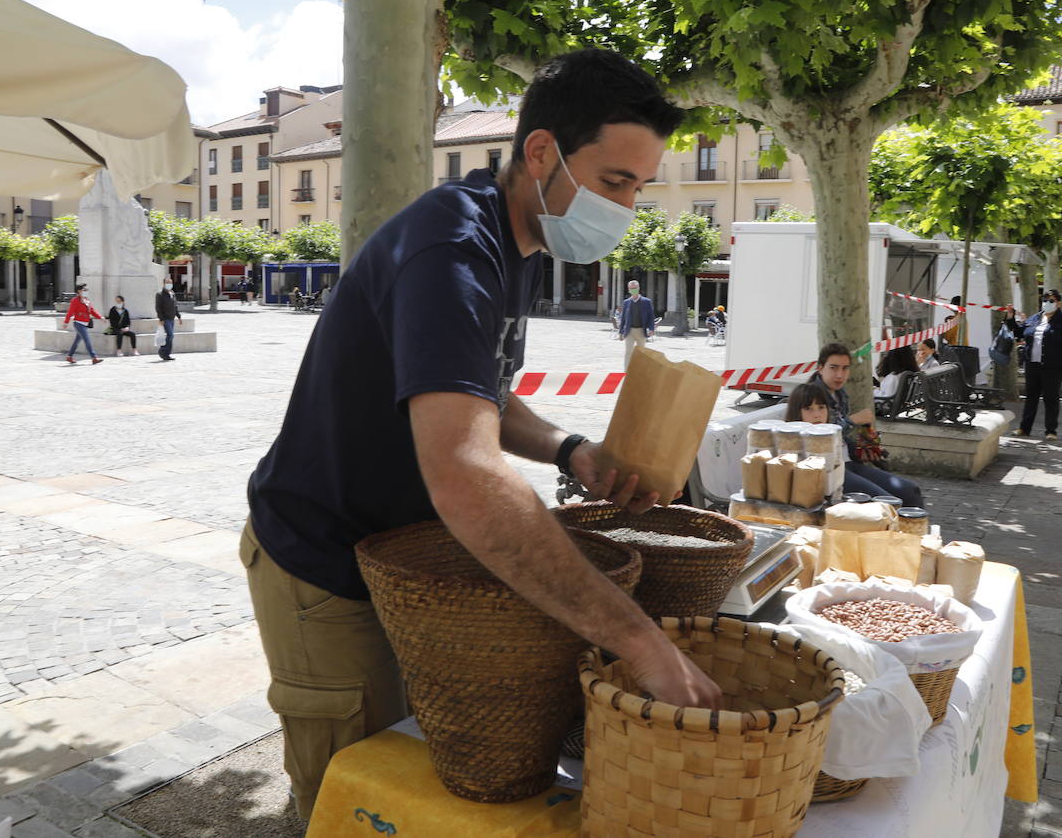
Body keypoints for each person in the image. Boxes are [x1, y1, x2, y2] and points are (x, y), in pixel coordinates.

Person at [243, 48, 720, 817]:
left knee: (413, 786)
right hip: (323, 569)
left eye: (638, 187)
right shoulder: (453, 250)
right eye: (613, 182)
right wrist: (637, 640)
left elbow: (484, 396)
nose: (627, 209)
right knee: (354, 805)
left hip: (404, 568)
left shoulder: (515, 239)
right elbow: (465, 470)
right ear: (541, 153)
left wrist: (572, 450)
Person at [808, 342, 925, 507]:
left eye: (845, 368)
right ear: (820, 368)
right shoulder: (811, 395)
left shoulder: (840, 394)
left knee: (911, 491)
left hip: (849, 462)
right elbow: (817, 437)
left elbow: (841, 440)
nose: (840, 375)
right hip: (830, 470)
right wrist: (853, 420)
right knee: (889, 504)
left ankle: (917, 531)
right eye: (834, 368)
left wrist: (860, 450)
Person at [1005, 289, 1062, 441]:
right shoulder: (1035, 319)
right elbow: (1019, 333)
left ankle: (1051, 431)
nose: (1047, 303)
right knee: (1031, 397)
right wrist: (1010, 318)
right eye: (1045, 300)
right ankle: (1024, 428)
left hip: (1054, 366)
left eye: (1051, 301)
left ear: (1058, 303)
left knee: (1050, 398)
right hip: (1032, 364)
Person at [618, 279, 655, 369]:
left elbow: (651, 316)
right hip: (629, 331)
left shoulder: (646, 302)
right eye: (631, 288)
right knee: (628, 351)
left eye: (635, 288)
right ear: (629, 289)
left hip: (641, 331)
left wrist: (651, 328)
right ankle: (627, 371)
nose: (633, 290)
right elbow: (623, 318)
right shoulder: (626, 302)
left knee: (641, 352)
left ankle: (640, 371)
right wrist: (620, 332)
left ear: (638, 288)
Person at [63, 284, 103, 365]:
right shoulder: (75, 300)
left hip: (85, 324)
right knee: (87, 340)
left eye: (86, 290)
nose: (86, 291)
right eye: (84, 290)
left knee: (76, 342)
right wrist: (66, 322)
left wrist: (100, 317)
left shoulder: (86, 300)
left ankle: (69, 356)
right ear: (79, 291)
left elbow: (92, 311)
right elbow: (70, 312)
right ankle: (94, 357)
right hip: (78, 324)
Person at [156, 278, 183, 361]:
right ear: (164, 283)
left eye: (170, 283)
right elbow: (158, 307)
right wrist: (161, 318)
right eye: (167, 283)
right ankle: (163, 351)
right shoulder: (160, 294)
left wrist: (179, 316)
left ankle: (166, 354)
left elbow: (175, 306)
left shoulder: (172, 293)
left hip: (172, 318)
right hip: (165, 319)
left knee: (170, 336)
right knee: (170, 335)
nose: (169, 284)